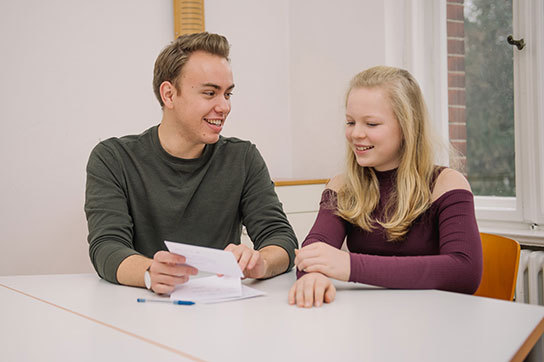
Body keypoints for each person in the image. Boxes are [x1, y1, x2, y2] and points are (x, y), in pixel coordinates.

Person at [85, 32, 297, 295]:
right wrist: (150, 272)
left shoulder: (242, 158)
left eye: (227, 94)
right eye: (210, 93)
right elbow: (106, 246)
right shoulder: (112, 158)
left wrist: (260, 263)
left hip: (224, 312)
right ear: (169, 95)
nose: (224, 107)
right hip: (141, 308)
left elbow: (281, 239)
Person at [288, 66, 483, 308]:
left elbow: (465, 272)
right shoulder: (342, 186)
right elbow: (314, 252)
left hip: (433, 322)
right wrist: (312, 276)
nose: (356, 134)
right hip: (369, 320)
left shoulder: (446, 184)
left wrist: (349, 266)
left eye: (371, 124)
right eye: (350, 122)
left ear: (407, 126)